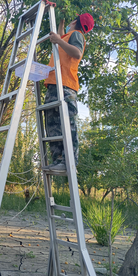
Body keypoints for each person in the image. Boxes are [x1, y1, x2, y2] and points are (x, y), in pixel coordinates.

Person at [42, 13, 94, 172]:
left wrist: (58, 39)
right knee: (53, 125)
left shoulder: (77, 34)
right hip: (54, 84)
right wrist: (61, 25)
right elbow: (60, 38)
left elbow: (77, 53)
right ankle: (58, 160)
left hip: (65, 86)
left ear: (76, 21)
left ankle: (69, 161)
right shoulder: (66, 36)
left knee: (67, 125)